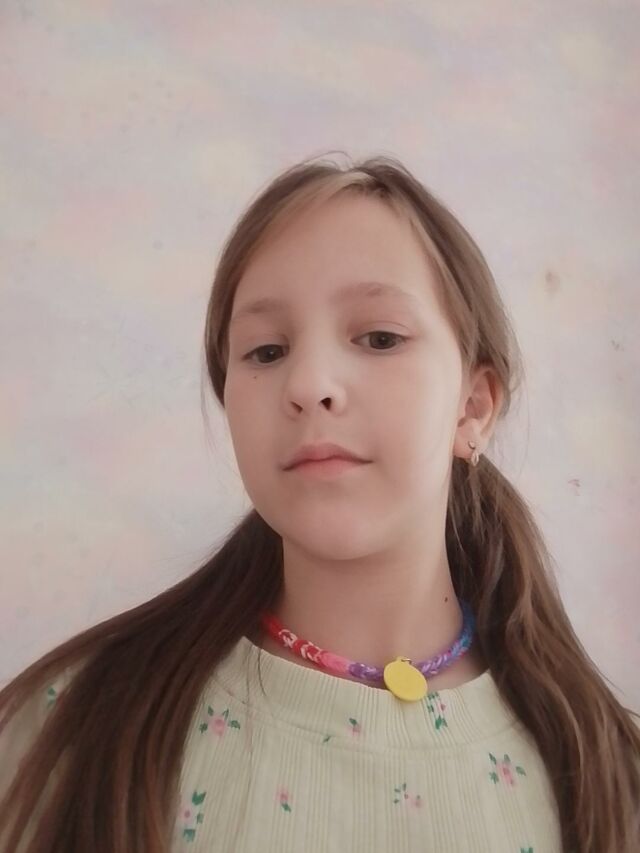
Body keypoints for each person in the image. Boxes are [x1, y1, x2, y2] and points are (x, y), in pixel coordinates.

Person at [1, 153, 639, 853]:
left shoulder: (611, 774)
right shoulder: (68, 730)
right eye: (266, 351)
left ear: (474, 407)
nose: (309, 384)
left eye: (380, 338)